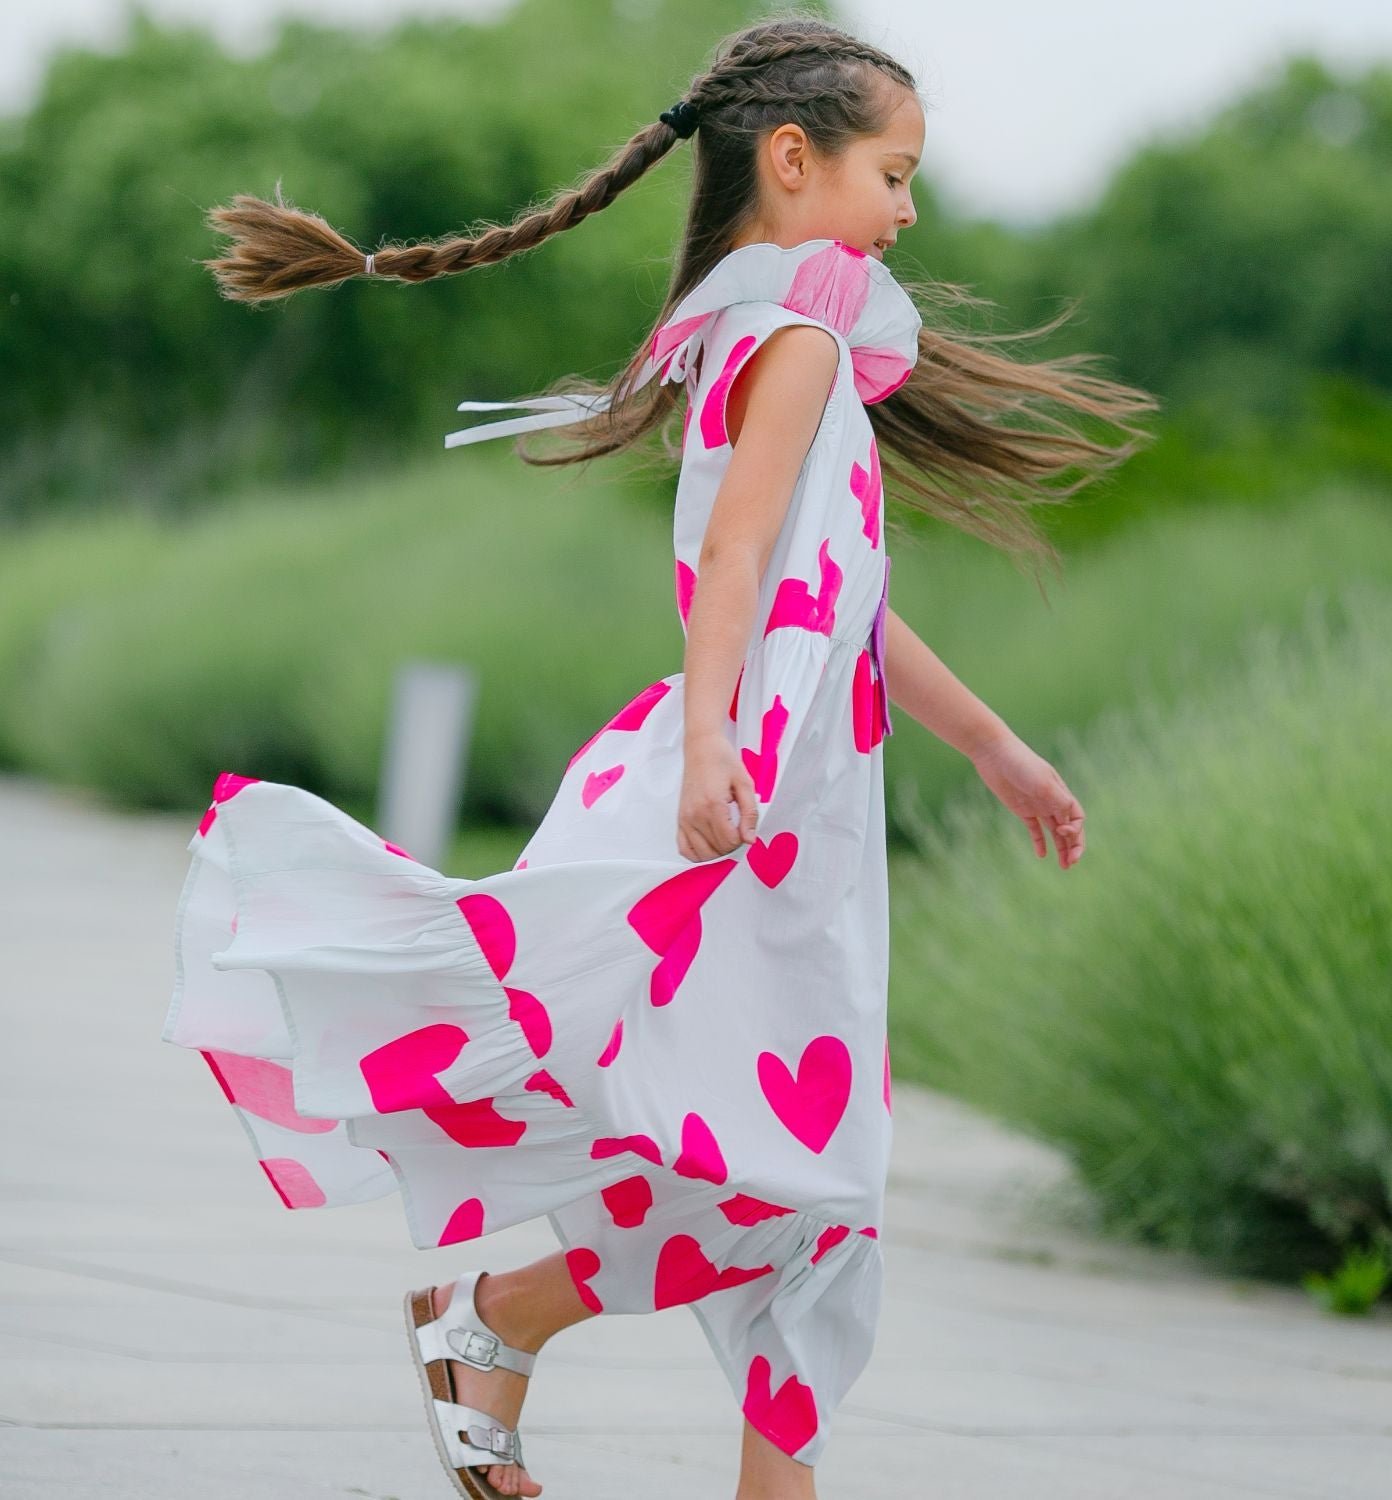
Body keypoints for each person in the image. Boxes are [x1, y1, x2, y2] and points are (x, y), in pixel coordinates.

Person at [165, 14, 1155, 1500]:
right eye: (894, 174)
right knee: (809, 1182)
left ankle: (497, 1324)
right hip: (750, 810)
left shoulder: (758, 336)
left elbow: (843, 602)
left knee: (789, 1178)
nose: (907, 211)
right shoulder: (802, 338)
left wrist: (1000, 748)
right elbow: (741, 563)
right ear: (793, 158)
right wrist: (707, 752)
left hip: (782, 806)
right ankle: (500, 1321)